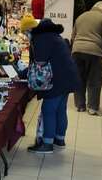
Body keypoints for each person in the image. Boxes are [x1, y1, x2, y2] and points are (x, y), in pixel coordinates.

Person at [21, 15, 81, 154]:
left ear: (30, 30)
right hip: (67, 77)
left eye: (25, 32)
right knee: (60, 109)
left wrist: (23, 73)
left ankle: (47, 143)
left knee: (48, 110)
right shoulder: (53, 35)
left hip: (55, 80)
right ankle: (59, 139)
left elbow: (39, 63)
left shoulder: (41, 39)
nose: (25, 36)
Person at [72, 1, 102, 116]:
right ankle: (92, 107)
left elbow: (73, 35)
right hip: (94, 52)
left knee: (79, 79)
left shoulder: (81, 17)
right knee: (94, 80)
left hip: (77, 51)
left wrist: (74, 48)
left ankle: (80, 105)